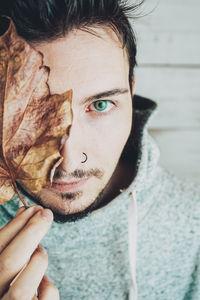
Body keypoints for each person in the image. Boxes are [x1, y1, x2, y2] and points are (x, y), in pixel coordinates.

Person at [0, 1, 199, 299]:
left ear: (131, 93)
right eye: (32, 113)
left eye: (100, 105)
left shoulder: (193, 227)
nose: (67, 159)